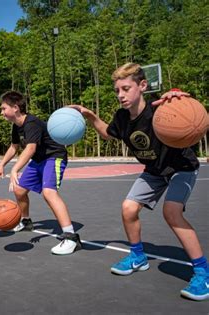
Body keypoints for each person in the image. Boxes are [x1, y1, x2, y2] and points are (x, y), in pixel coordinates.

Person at [70, 62, 207, 301]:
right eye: (117, 91)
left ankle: (202, 272)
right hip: (154, 170)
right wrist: (90, 115)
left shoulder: (160, 109)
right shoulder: (122, 117)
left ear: (142, 86)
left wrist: (177, 97)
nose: (121, 95)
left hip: (181, 167)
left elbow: (189, 116)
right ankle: (138, 257)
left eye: (125, 88)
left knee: (171, 212)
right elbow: (107, 133)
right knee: (128, 208)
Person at [0, 91, 81, 255]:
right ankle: (26, 222)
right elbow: (14, 147)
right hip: (39, 160)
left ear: (16, 108)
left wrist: (14, 169)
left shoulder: (31, 122)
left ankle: (71, 238)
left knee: (49, 193)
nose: (2, 112)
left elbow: (30, 147)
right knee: (19, 190)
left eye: (3, 108)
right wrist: (2, 165)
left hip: (53, 157)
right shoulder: (17, 126)